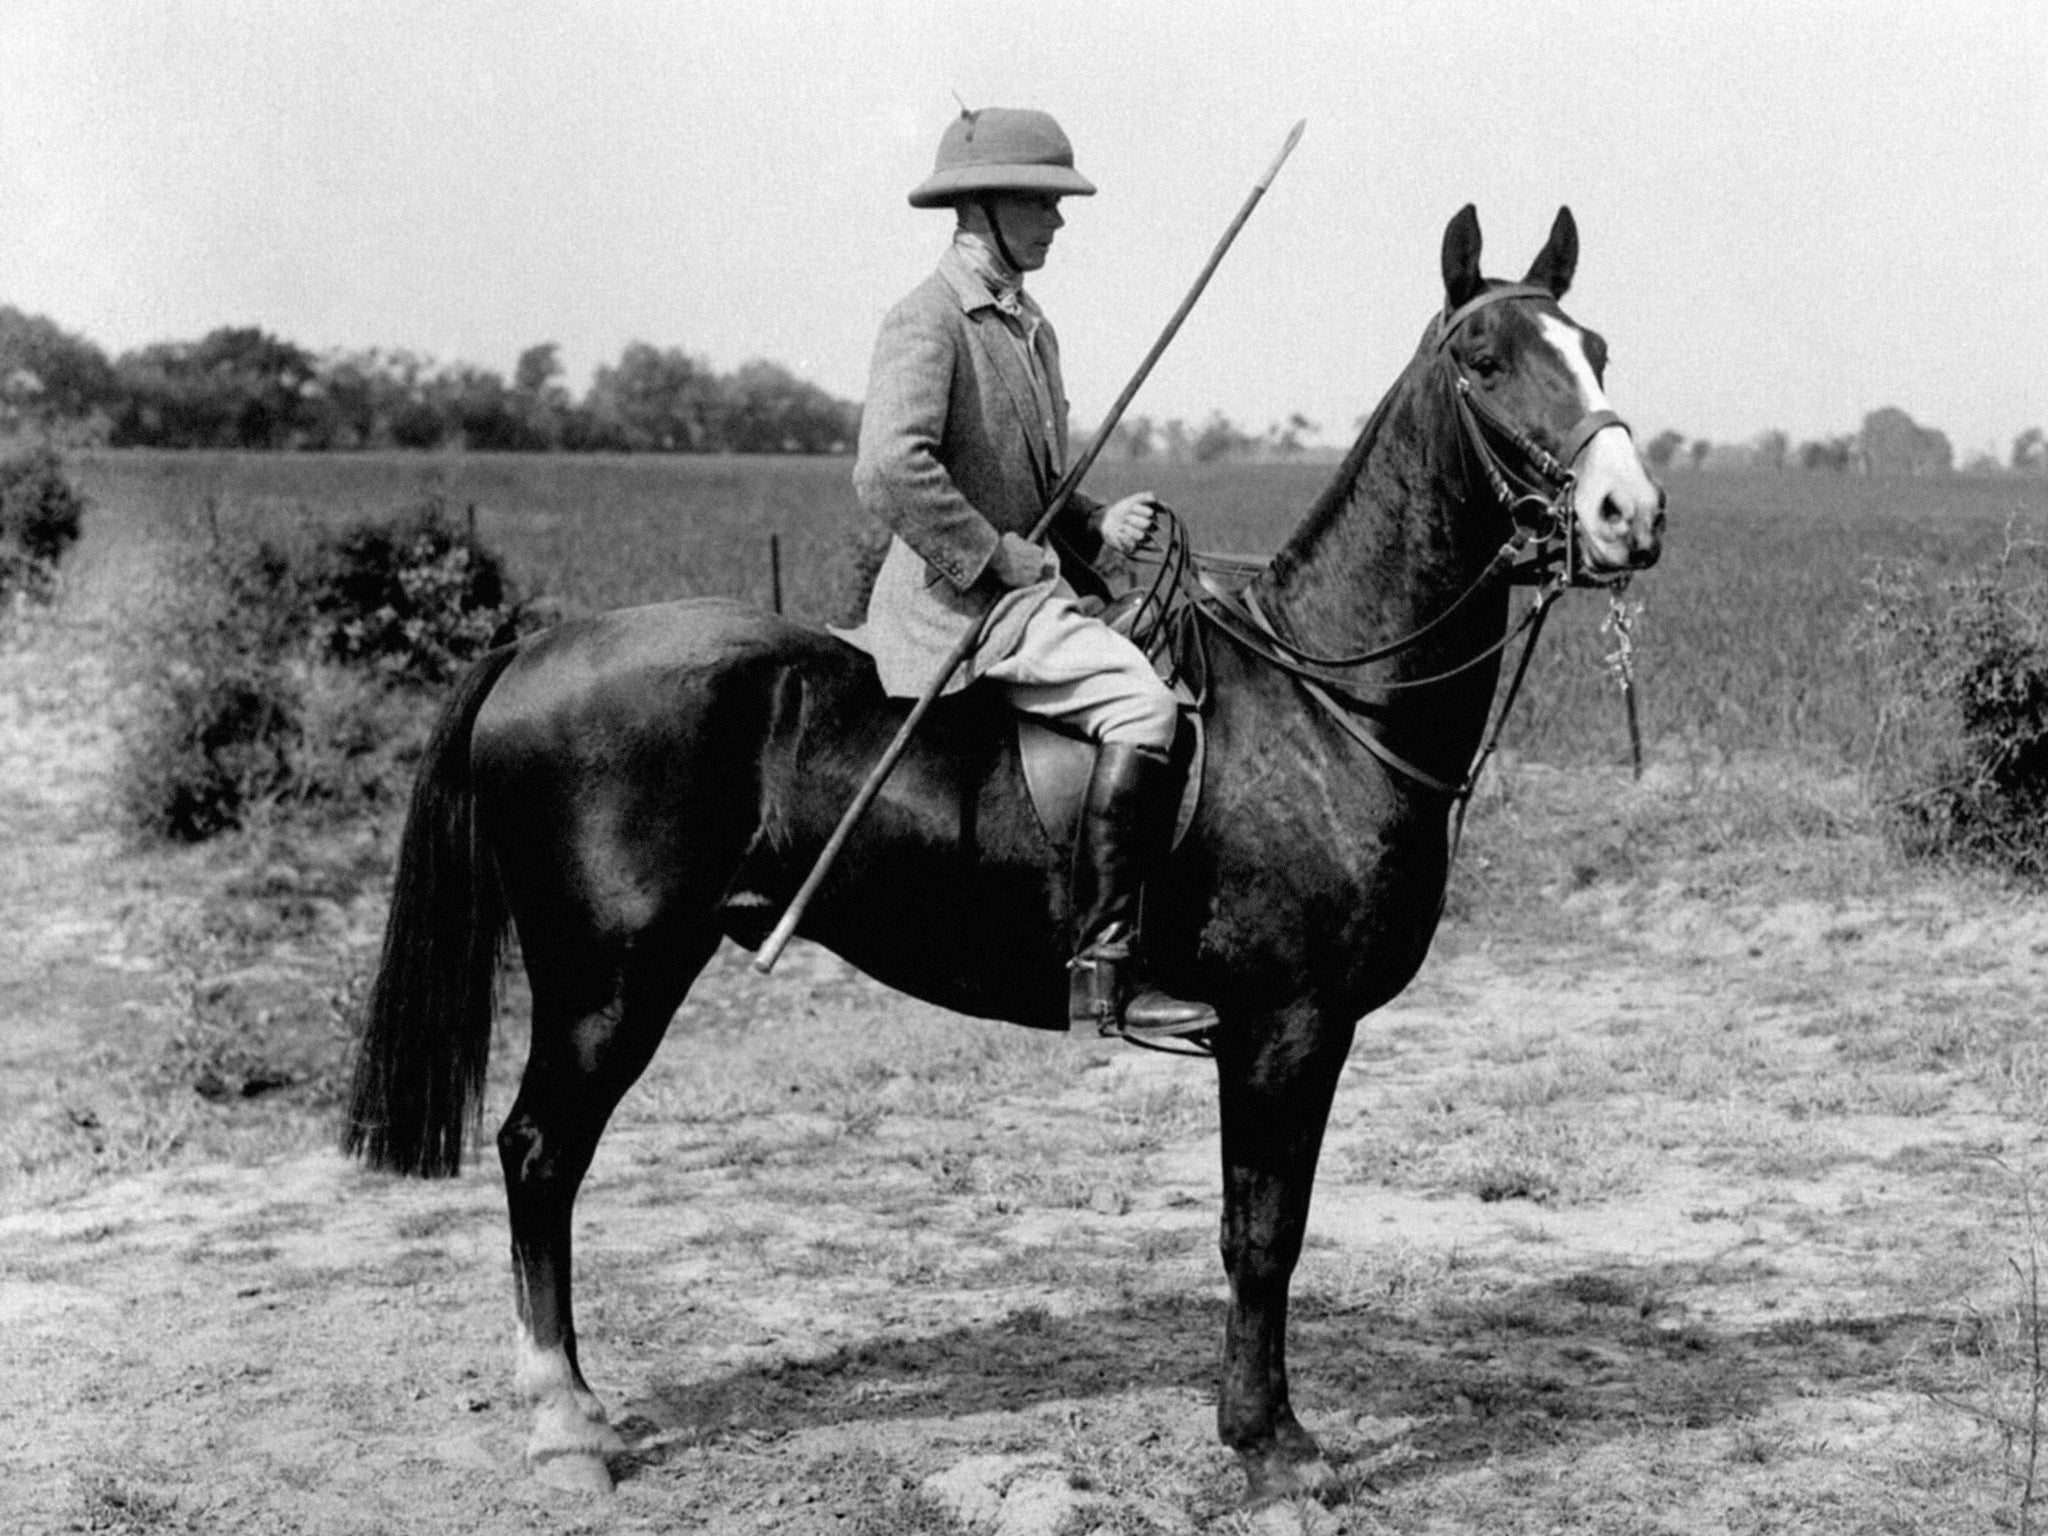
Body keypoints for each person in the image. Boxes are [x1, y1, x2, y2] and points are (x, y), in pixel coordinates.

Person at [848, 106, 1217, 1043]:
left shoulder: (1028, 328)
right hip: (959, 608)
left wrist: (1098, 521)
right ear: (981, 207)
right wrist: (992, 555)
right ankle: (1105, 973)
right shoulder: (929, 320)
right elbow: (889, 467)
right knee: (1146, 709)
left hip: (1029, 587)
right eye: (1041, 201)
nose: (1058, 219)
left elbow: (1041, 488)